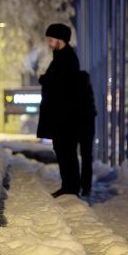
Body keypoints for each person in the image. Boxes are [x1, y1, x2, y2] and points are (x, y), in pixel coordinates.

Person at [37, 23, 82, 197]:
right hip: (62, 115)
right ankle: (68, 187)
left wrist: (45, 80)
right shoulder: (61, 57)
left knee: (66, 151)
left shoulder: (67, 59)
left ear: (60, 40)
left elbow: (61, 85)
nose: (48, 43)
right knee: (63, 150)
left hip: (65, 116)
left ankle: (71, 188)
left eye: (51, 39)